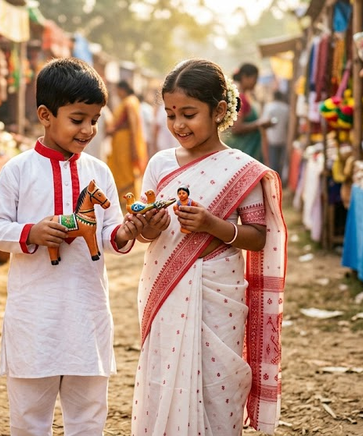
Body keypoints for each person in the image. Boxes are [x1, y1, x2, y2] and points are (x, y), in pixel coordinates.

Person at [0, 57, 148, 436]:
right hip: (34, 317)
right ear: (45, 115)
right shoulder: (18, 170)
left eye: (95, 119)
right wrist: (31, 233)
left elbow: (109, 234)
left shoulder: (99, 172)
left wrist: (128, 232)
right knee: (29, 419)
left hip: (86, 314)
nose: (88, 129)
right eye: (77, 119)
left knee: (88, 416)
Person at [130, 58, 287, 436]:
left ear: (219, 111)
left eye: (189, 114)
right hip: (165, 287)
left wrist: (212, 225)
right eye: (170, 115)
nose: (178, 125)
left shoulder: (242, 169)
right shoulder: (160, 164)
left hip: (219, 289)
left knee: (218, 384)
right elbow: (147, 232)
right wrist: (147, 228)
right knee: (165, 373)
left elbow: (258, 235)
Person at [107, 80, 148, 205]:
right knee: (120, 169)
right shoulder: (129, 101)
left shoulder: (130, 102)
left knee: (126, 170)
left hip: (125, 143)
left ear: (123, 89)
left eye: (118, 90)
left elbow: (133, 125)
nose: (117, 93)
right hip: (121, 142)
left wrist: (134, 148)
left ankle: (128, 200)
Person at [222, 63, 272, 163]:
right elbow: (237, 128)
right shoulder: (241, 99)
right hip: (243, 149)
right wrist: (259, 124)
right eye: (255, 78)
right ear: (245, 77)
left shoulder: (246, 97)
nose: (256, 82)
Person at [261, 90, 290, 177]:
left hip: (272, 138)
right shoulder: (286, 108)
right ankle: (279, 178)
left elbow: (264, 123)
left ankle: (274, 179)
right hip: (283, 138)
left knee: (273, 162)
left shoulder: (269, 107)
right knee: (281, 162)